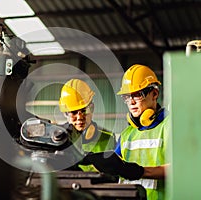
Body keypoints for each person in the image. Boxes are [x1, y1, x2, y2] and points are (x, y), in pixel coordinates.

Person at [112, 64, 169, 200]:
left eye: (137, 95)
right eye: (127, 97)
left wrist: (141, 171)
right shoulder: (127, 134)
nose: (131, 102)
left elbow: (180, 168)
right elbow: (115, 165)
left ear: (155, 94)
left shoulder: (170, 126)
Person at [58, 78, 116, 172]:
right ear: (65, 114)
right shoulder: (59, 141)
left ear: (92, 108)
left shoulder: (108, 139)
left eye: (84, 110)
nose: (80, 117)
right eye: (73, 112)